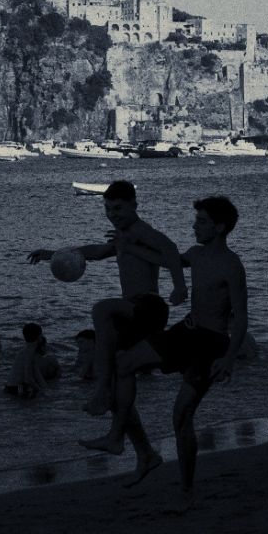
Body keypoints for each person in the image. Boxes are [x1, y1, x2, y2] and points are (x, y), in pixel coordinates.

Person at [86, 196, 248, 508]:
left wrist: (228, 359)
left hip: (211, 343)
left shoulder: (231, 265)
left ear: (220, 227)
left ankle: (187, 491)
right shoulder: (196, 254)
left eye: (201, 222)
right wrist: (126, 245)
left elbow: (240, 317)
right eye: (196, 220)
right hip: (186, 330)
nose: (194, 226)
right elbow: (165, 259)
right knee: (124, 362)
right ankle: (123, 439)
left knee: (181, 417)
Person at [27, 180, 187, 431]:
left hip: (149, 305)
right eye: (108, 209)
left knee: (101, 309)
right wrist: (54, 253)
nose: (112, 215)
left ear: (135, 205)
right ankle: (128, 441)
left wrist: (179, 286)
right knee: (120, 368)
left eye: (119, 208)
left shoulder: (139, 230)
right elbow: (98, 251)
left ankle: (101, 389)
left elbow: (170, 248)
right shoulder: (124, 236)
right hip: (133, 310)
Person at [5, 323, 48, 398]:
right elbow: (28, 378)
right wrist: (40, 390)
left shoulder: (28, 350)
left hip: (12, 386)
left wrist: (45, 388)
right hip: (16, 388)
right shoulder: (29, 353)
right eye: (41, 334)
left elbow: (36, 372)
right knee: (37, 396)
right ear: (38, 337)